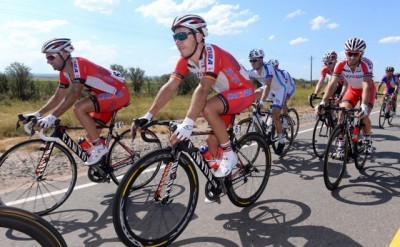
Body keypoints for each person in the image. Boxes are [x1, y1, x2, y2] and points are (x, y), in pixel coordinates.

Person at [131, 14, 254, 178]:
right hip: (226, 96)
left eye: (182, 35)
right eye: (175, 37)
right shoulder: (185, 60)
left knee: (208, 107)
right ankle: (225, 180)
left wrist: (188, 123)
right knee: (211, 141)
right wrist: (148, 115)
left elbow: (203, 88)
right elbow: (170, 87)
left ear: (198, 36)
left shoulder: (211, 53)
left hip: (243, 91)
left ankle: (230, 154)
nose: (177, 41)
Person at [22, 38, 130, 165]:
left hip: (118, 94)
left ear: (64, 54)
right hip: (105, 97)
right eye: (46, 58)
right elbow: (58, 97)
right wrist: (37, 114)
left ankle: (100, 148)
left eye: (51, 57)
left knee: (79, 108)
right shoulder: (64, 73)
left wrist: (51, 117)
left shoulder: (78, 64)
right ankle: (104, 166)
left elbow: (73, 94)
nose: (48, 61)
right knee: (91, 135)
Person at [316, 37, 376, 155]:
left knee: (364, 116)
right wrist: (323, 101)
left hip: (367, 90)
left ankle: (368, 138)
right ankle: (341, 144)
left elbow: (366, 84)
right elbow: (332, 84)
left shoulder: (367, 64)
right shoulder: (341, 64)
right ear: (345, 53)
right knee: (342, 113)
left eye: (356, 54)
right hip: (352, 90)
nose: (352, 57)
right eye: (350, 53)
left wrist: (363, 105)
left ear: (361, 54)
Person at [248, 50, 287, 155]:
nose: (252, 63)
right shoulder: (252, 72)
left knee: (275, 115)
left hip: (279, 90)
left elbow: (268, 85)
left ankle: (281, 141)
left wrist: (261, 101)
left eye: (255, 60)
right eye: (250, 61)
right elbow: (249, 88)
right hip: (268, 89)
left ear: (261, 59)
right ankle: (265, 128)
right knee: (252, 95)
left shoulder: (268, 67)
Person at [268, 58, 296, 128]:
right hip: (280, 90)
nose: (275, 68)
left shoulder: (284, 73)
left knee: (283, 102)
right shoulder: (270, 75)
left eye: (276, 66)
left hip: (289, 89)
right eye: (273, 67)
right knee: (273, 103)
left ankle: (286, 120)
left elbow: (288, 85)